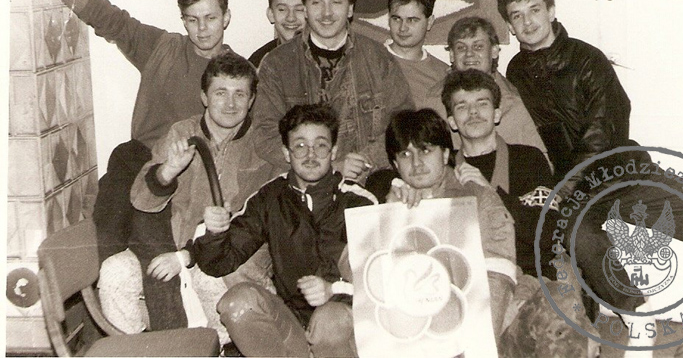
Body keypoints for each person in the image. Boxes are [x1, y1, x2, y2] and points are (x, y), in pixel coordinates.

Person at [497, 0, 683, 330]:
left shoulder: (587, 59)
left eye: (534, 10)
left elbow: (603, 131)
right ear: (509, 26)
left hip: (624, 173)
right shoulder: (515, 72)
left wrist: (567, 185)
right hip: (577, 191)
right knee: (579, 235)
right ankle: (635, 317)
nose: (527, 22)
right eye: (517, 15)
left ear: (552, 10)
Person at [19, 0, 235, 266]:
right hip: (140, 158)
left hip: (190, 172)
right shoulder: (164, 48)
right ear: (183, 20)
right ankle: (104, 280)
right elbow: (110, 19)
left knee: (156, 248)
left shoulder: (236, 76)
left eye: (210, 18)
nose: (202, 29)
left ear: (226, 17)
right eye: (192, 19)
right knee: (110, 221)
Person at [98, 53, 280, 342]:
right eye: (220, 93)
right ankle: (137, 348)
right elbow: (140, 200)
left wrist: (187, 256)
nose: (230, 104)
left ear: (252, 99)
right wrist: (167, 171)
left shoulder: (265, 142)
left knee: (209, 278)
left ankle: (216, 347)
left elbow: (261, 220)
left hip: (229, 254)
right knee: (114, 273)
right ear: (204, 97)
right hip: (169, 245)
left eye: (240, 94)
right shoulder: (182, 132)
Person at [194, 104, 377, 357]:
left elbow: (379, 284)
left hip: (345, 326)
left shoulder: (359, 202)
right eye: (300, 146)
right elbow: (220, 263)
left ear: (334, 151)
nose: (310, 155)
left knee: (328, 320)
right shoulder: (271, 197)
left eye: (320, 145)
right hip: (294, 326)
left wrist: (333, 289)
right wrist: (215, 233)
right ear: (286, 153)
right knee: (237, 303)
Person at [251, 0, 414, 183]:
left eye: (336, 2)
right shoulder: (276, 64)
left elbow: (403, 125)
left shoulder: (378, 59)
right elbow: (265, 135)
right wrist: (327, 166)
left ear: (350, 9)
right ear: (305, 9)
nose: (326, 13)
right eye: (316, 2)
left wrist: (363, 162)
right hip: (303, 185)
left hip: (369, 181)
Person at [381, 108, 517, 342]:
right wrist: (389, 216)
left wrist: (480, 341)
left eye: (425, 150)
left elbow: (499, 273)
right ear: (395, 163)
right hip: (417, 322)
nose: (416, 163)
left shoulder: (477, 196)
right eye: (405, 154)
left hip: (481, 313)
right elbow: (364, 269)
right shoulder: (391, 202)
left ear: (445, 154)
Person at [441, 69, 558, 280]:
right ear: (452, 121)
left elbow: (547, 235)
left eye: (482, 104)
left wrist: (490, 192)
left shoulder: (529, 159)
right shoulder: (444, 168)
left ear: (496, 115)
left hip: (529, 276)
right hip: (466, 279)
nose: (473, 112)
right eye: (462, 106)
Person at [422, 16, 548, 157]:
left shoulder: (515, 103)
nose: (469, 54)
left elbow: (538, 161)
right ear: (452, 55)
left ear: (494, 51)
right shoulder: (434, 100)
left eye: (478, 47)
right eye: (461, 47)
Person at [384, 0, 449, 107]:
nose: (403, 28)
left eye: (412, 20)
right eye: (397, 19)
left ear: (429, 22)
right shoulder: (370, 62)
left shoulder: (443, 75)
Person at [248, 0, 308, 68]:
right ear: (271, 14)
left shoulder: (327, 59)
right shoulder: (259, 61)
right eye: (282, 9)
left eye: (299, 9)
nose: (291, 18)